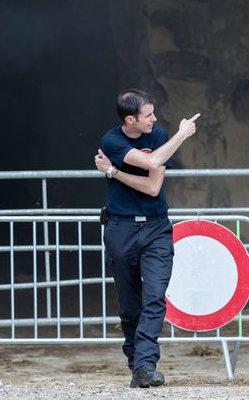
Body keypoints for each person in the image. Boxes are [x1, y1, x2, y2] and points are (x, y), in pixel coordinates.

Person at [93, 89, 200, 389]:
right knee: (129, 305)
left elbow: (153, 187)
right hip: (121, 228)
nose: (154, 118)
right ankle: (136, 361)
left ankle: (145, 364)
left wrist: (112, 171)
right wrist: (181, 136)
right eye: (148, 115)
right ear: (130, 119)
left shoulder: (157, 135)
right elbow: (151, 164)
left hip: (156, 227)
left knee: (154, 296)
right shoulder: (111, 140)